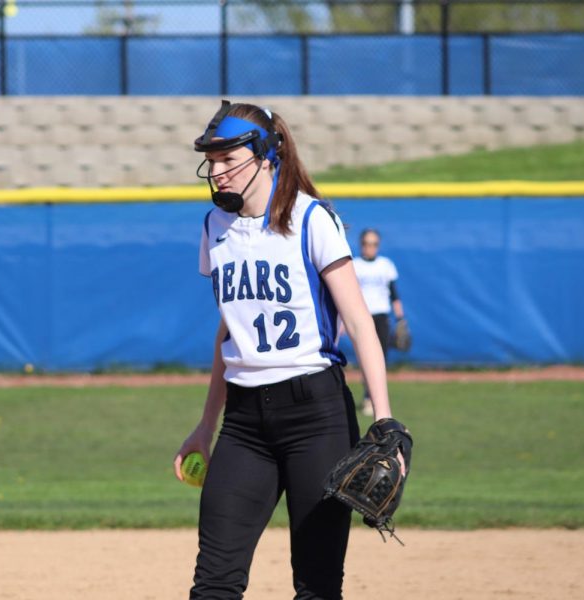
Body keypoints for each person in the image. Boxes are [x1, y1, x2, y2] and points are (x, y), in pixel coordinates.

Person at [173, 100, 403, 600]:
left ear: (264, 156)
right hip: (244, 422)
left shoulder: (312, 219)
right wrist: (205, 425)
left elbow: (362, 324)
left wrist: (383, 421)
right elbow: (227, 335)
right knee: (213, 582)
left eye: (227, 158)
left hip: (316, 415)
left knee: (317, 586)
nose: (216, 171)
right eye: (210, 161)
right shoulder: (215, 227)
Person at [352, 228, 407, 416]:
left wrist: (401, 318)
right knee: (366, 359)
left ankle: (375, 399)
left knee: (380, 359)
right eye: (367, 243)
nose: (370, 247)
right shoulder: (355, 265)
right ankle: (369, 398)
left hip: (382, 316)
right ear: (361, 245)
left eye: (374, 243)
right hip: (362, 317)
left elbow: (394, 294)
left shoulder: (385, 265)